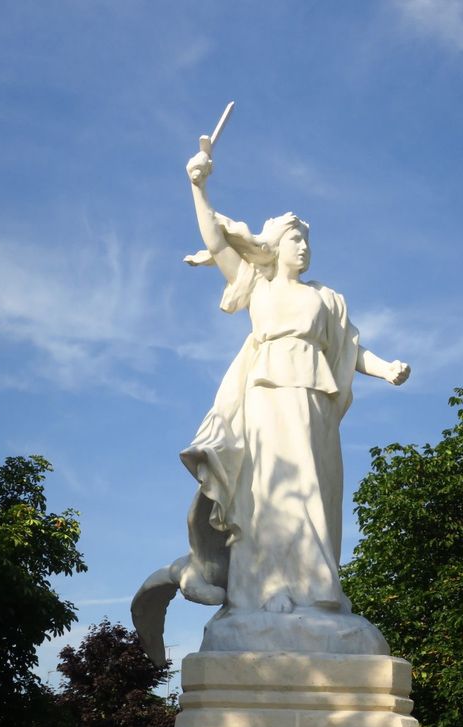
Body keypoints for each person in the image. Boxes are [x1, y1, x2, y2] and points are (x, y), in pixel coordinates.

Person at [132, 133, 410, 662]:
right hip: (265, 398)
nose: (303, 247)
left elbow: (350, 349)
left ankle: (316, 591)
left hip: (314, 400)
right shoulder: (257, 287)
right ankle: (263, 590)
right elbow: (217, 242)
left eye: (307, 240)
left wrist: (386, 368)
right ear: (276, 246)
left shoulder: (326, 299)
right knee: (268, 492)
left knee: (314, 492)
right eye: (295, 239)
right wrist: (199, 186)